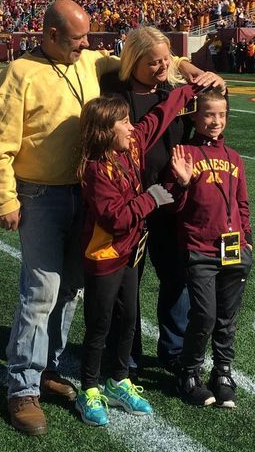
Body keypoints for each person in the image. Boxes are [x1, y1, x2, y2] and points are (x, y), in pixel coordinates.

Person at [0, 0, 218, 436]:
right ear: (51, 35)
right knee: (42, 290)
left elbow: (135, 56)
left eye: (87, 37)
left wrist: (184, 65)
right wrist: (5, 199)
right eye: (77, 38)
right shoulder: (20, 74)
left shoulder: (88, 60)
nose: (87, 45)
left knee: (69, 288)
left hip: (85, 195)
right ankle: (22, 388)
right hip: (42, 194)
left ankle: (49, 367)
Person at [100, 27, 223, 376]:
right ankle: (127, 351)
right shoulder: (114, 93)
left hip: (170, 200)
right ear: (132, 61)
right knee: (128, 281)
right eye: (152, 62)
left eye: (165, 60)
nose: (160, 67)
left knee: (176, 275)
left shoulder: (173, 90)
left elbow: (217, 108)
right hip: (131, 201)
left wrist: (205, 76)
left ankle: (173, 350)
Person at [75, 84, 197, 426]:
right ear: (104, 130)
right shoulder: (96, 169)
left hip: (130, 251)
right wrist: (151, 199)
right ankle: (88, 388)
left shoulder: (129, 149)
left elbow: (156, 120)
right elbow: (115, 218)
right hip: (104, 256)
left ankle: (118, 379)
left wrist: (184, 92)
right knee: (100, 324)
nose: (132, 127)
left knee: (128, 318)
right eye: (125, 123)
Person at [173, 88, 253, 408]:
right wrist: (181, 184)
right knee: (205, 315)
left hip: (233, 247)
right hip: (199, 248)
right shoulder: (184, 153)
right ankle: (188, 371)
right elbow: (172, 207)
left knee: (227, 316)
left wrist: (247, 240)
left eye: (221, 114)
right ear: (194, 116)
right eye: (208, 114)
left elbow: (242, 203)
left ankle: (222, 371)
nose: (216, 121)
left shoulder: (234, 158)